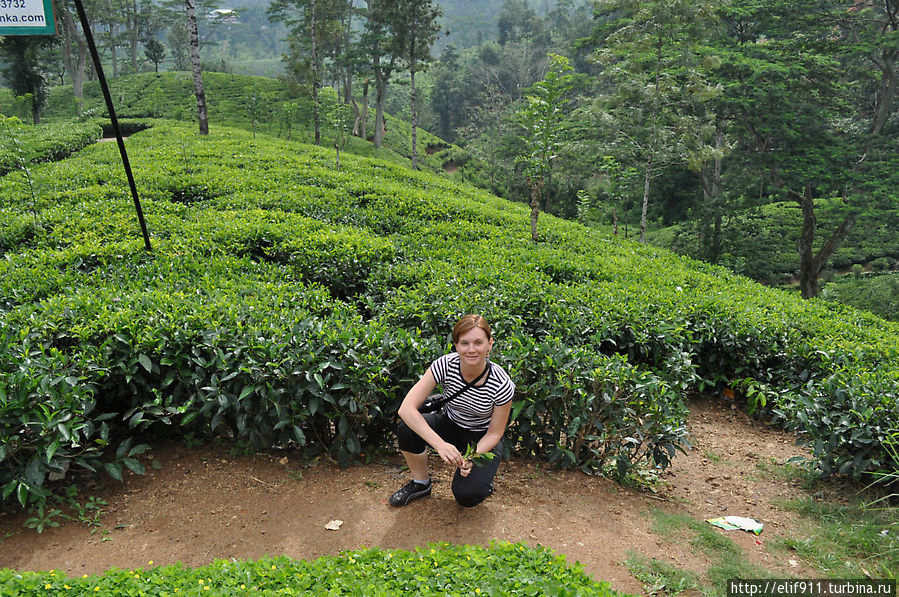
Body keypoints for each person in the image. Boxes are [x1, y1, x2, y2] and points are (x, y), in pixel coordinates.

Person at [390, 314, 515, 507]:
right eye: (464, 343)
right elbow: (406, 409)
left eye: (478, 343)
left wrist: (471, 457)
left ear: (490, 344)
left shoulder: (502, 383)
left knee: (467, 495)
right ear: (455, 345)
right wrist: (440, 445)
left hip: (481, 437)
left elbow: (495, 432)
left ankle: (483, 482)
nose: (471, 350)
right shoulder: (445, 365)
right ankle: (421, 484)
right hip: (450, 424)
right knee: (407, 429)